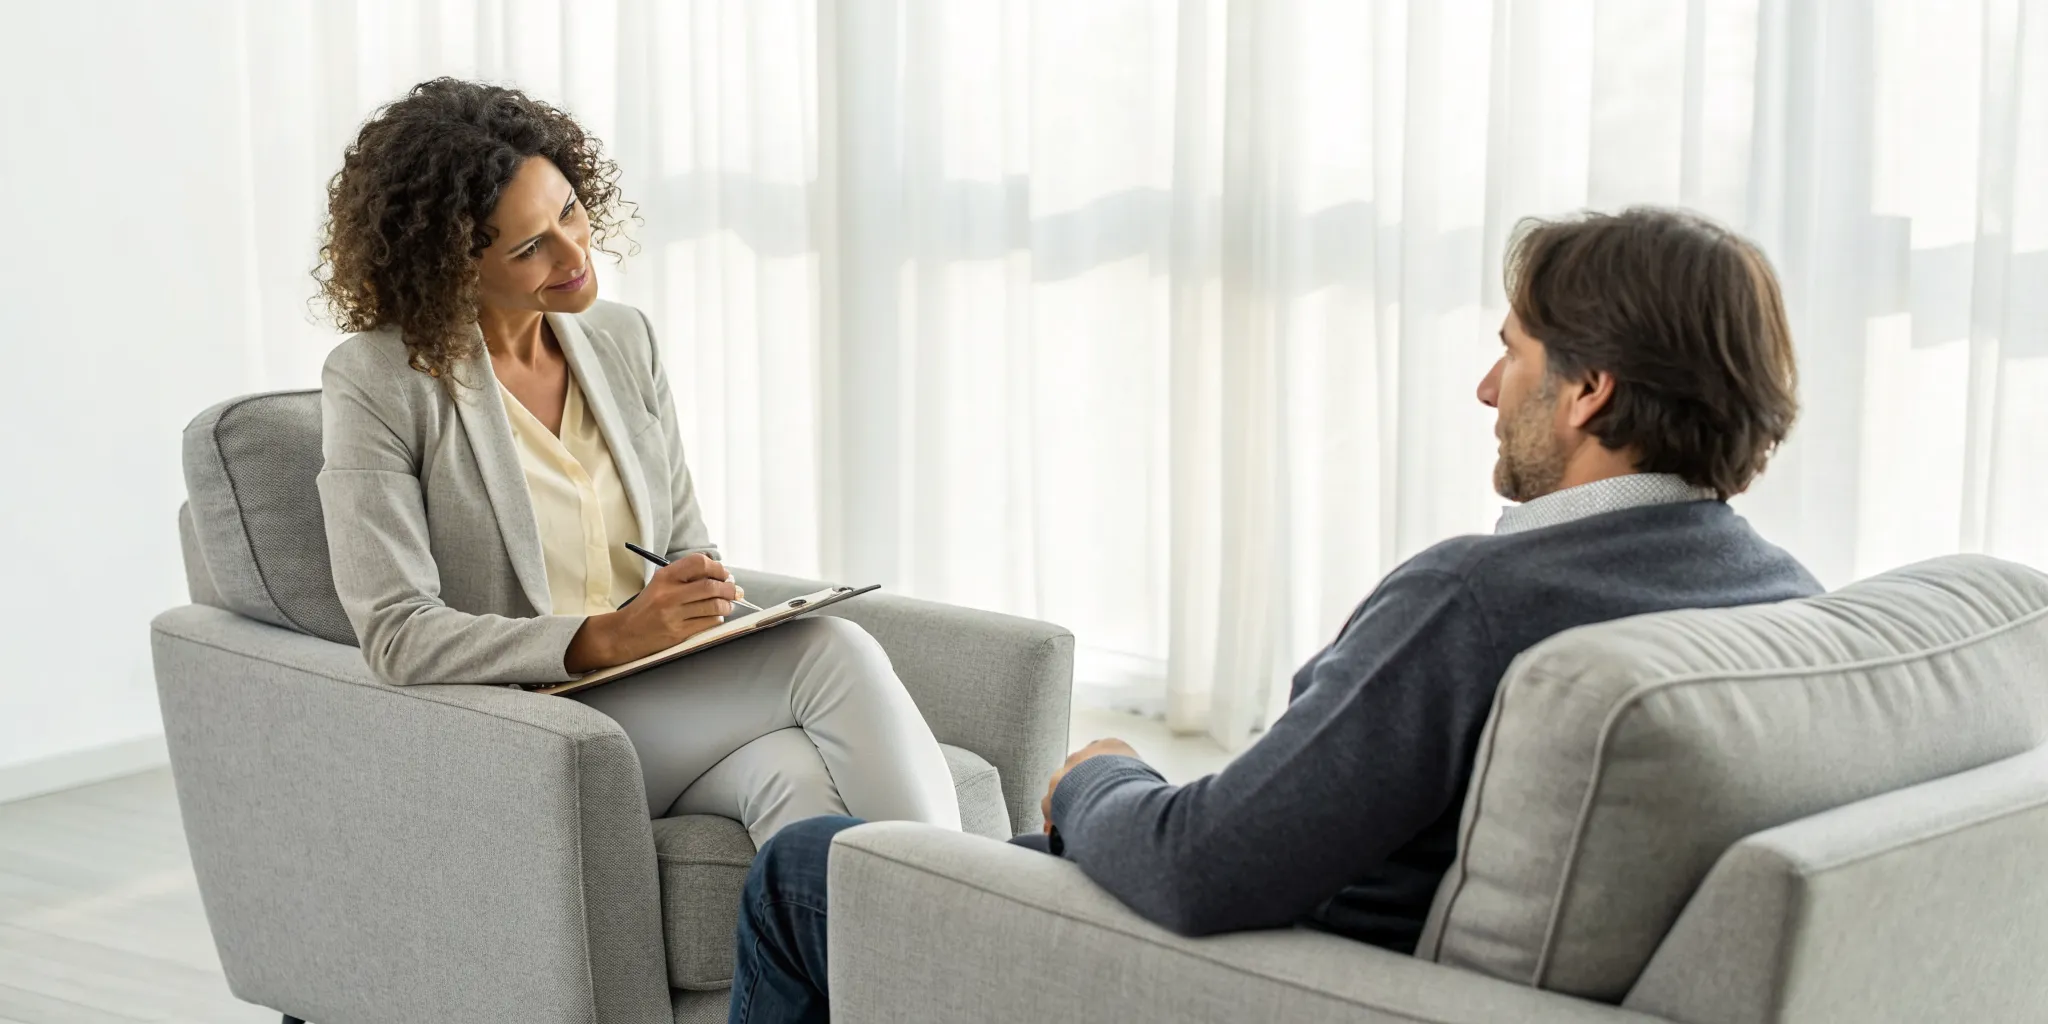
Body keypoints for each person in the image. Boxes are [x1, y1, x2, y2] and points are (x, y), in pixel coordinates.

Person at [725, 206, 1825, 1023]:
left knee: (806, 868)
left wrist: (1094, 775)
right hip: (1358, 946)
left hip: (1262, 974)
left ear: (1589, 391)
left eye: (1512, 350)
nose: (1487, 389)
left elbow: (1200, 867)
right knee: (981, 851)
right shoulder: (1782, 598)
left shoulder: (1475, 603)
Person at [314, 78, 960, 842]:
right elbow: (397, 633)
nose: (574, 253)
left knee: (790, 777)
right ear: (451, 266)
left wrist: (697, 596)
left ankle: (844, 961)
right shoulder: (379, 380)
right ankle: (980, 916)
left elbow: (686, 542)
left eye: (570, 212)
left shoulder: (624, 339)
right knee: (831, 652)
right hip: (539, 720)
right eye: (529, 248)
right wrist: (605, 637)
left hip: (659, 694)